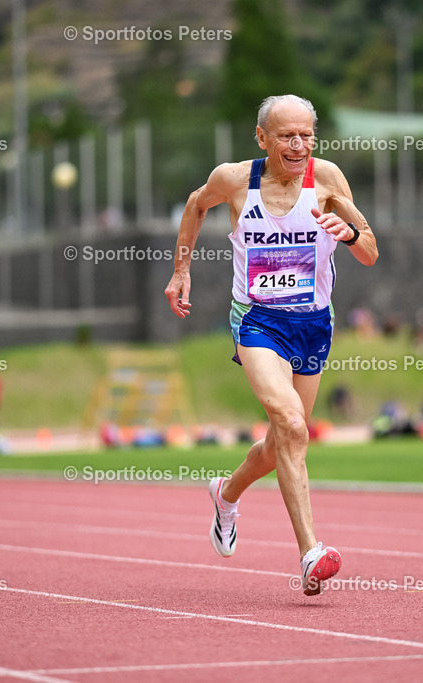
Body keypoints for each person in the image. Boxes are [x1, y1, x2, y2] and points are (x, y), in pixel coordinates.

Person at [164, 94, 378, 596]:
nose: (298, 144)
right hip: (257, 319)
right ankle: (310, 553)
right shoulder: (234, 180)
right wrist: (181, 270)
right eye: (286, 135)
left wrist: (347, 233)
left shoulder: (327, 179)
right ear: (262, 138)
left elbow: (369, 251)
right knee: (290, 423)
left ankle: (226, 492)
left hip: (312, 324)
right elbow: (196, 206)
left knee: (282, 441)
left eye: (306, 134)